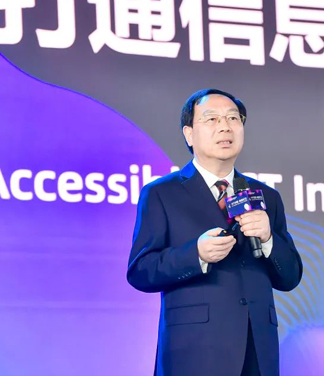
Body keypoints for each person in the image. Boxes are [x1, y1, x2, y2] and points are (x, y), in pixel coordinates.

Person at [126, 88, 303, 376]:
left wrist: (269, 240)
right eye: (212, 119)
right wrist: (196, 254)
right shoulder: (161, 193)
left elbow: (290, 276)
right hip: (194, 352)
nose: (225, 126)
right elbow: (140, 271)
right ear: (189, 134)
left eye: (233, 118)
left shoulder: (266, 196)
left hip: (257, 351)